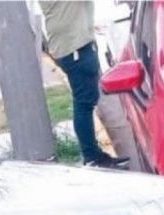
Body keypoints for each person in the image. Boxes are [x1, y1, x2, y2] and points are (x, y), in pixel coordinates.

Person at [40, 0, 128, 168]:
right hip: (75, 48)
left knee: (84, 103)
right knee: (84, 104)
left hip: (72, 46)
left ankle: (93, 155)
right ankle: (91, 156)